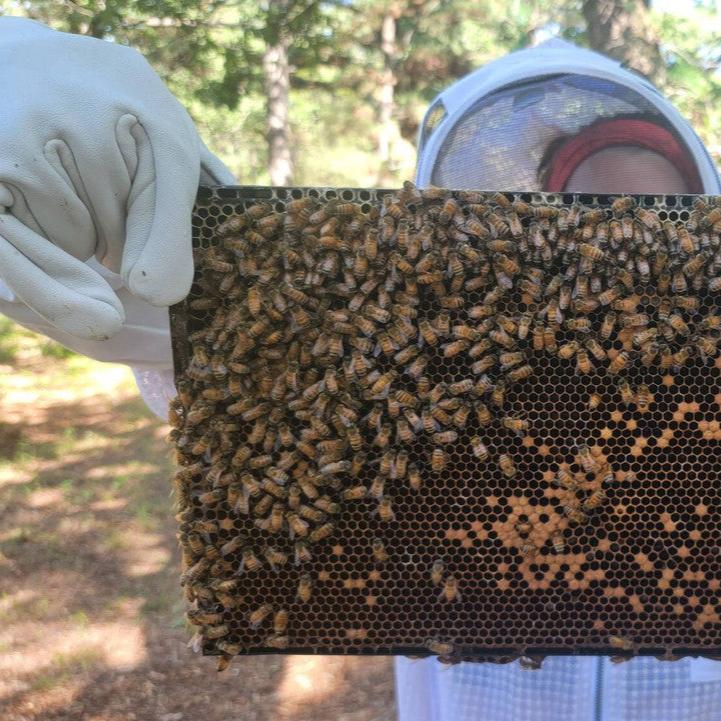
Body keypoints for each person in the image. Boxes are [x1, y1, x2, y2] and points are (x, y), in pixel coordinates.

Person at [2, 17, 721, 721]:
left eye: (661, 227)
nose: (608, 275)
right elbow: (262, 374)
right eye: (582, 221)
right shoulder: (431, 361)